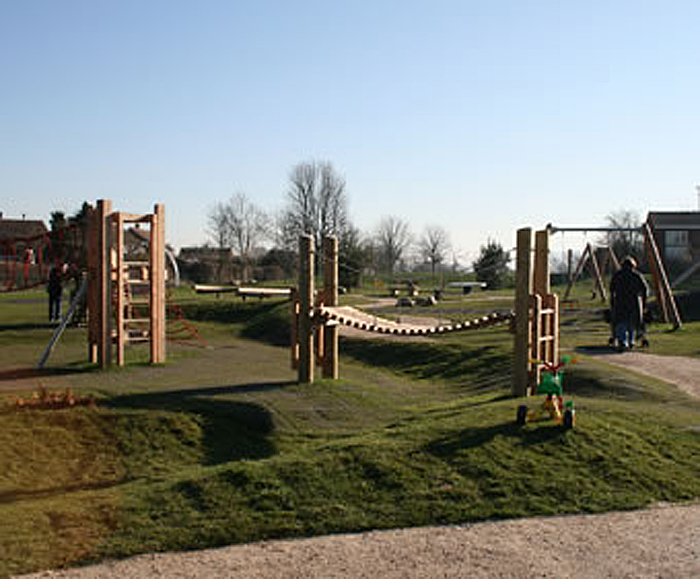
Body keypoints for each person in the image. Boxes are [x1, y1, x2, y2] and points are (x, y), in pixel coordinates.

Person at [610, 256, 648, 351]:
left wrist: (612, 300)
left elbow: (611, 288)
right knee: (631, 323)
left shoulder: (617, 275)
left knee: (621, 323)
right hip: (633, 302)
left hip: (620, 301)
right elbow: (644, 289)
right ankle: (631, 341)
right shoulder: (637, 276)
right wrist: (643, 301)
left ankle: (623, 341)